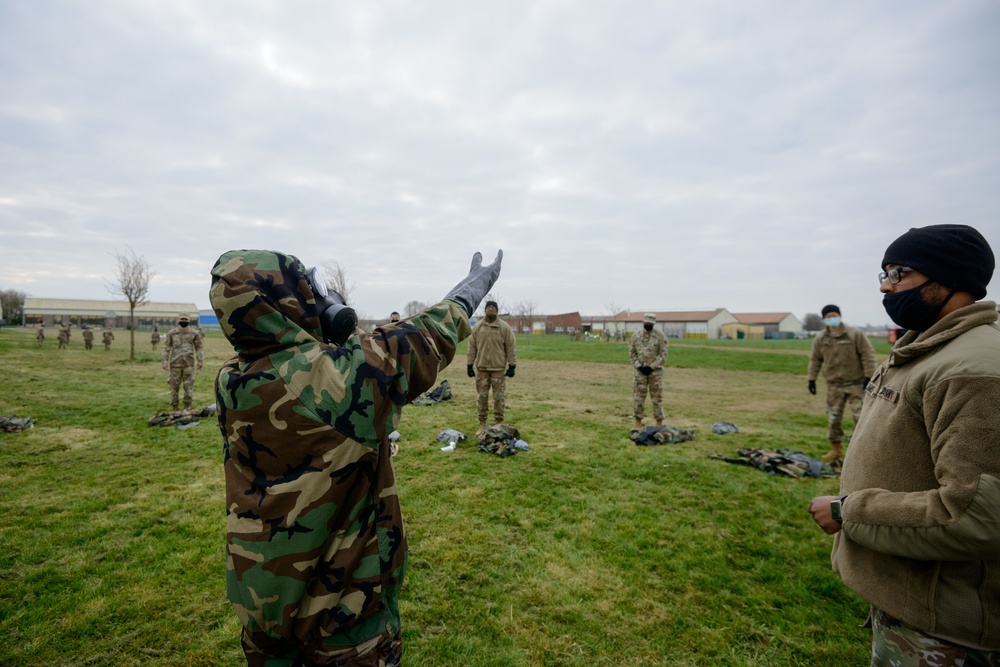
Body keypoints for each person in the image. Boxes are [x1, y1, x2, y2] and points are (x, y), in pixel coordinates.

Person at [210, 248, 502, 667]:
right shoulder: (341, 378)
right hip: (342, 625)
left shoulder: (230, 381)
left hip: (265, 614)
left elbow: (297, 363)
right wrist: (472, 287)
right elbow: (428, 335)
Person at [808, 224, 1000, 665]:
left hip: (948, 629)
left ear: (947, 278)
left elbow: (975, 515)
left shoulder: (973, 369)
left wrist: (847, 510)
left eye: (898, 274)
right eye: (883, 274)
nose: (884, 287)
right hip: (914, 603)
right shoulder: (928, 348)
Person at [806, 304, 877, 461]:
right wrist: (811, 379)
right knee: (833, 419)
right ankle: (836, 450)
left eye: (834, 315)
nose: (832, 318)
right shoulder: (821, 338)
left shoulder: (855, 334)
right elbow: (815, 360)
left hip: (856, 384)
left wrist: (869, 377)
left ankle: (864, 452)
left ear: (840, 315)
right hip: (834, 386)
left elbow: (868, 355)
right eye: (828, 316)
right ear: (824, 319)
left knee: (861, 419)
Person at [466, 300, 517, 434]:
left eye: (494, 307)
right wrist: (469, 364)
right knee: (482, 398)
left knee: (499, 398)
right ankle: (482, 424)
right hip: (482, 369)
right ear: (485, 310)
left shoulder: (504, 327)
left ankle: (499, 423)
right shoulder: (477, 327)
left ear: (497, 310)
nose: (491, 308)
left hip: (498, 370)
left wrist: (512, 365)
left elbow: (511, 347)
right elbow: (472, 347)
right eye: (489, 306)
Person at [629, 313, 669, 430]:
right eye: (646, 323)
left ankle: (659, 422)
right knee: (638, 397)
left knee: (657, 398)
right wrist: (639, 366)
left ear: (654, 324)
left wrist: (651, 367)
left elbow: (663, 355)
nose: (648, 326)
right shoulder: (635, 336)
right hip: (639, 373)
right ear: (642, 322)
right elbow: (632, 354)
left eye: (650, 324)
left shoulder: (661, 337)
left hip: (655, 373)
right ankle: (637, 422)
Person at [161, 313, 203, 411]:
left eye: (185, 319)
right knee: (173, 386)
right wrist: (164, 361)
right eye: (182, 319)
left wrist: (200, 360)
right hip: (175, 364)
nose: (183, 321)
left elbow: (199, 348)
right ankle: (174, 406)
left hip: (188, 364)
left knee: (188, 386)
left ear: (189, 321)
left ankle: (187, 405)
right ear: (178, 320)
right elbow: (166, 347)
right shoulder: (172, 333)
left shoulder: (194, 333)